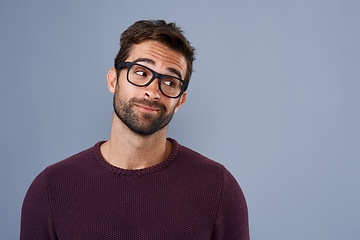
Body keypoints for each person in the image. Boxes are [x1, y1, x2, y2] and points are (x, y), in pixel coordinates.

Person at [20, 19, 250, 240]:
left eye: (170, 82)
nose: (153, 91)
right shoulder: (51, 189)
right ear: (113, 80)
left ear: (180, 101)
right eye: (141, 72)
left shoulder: (218, 188)